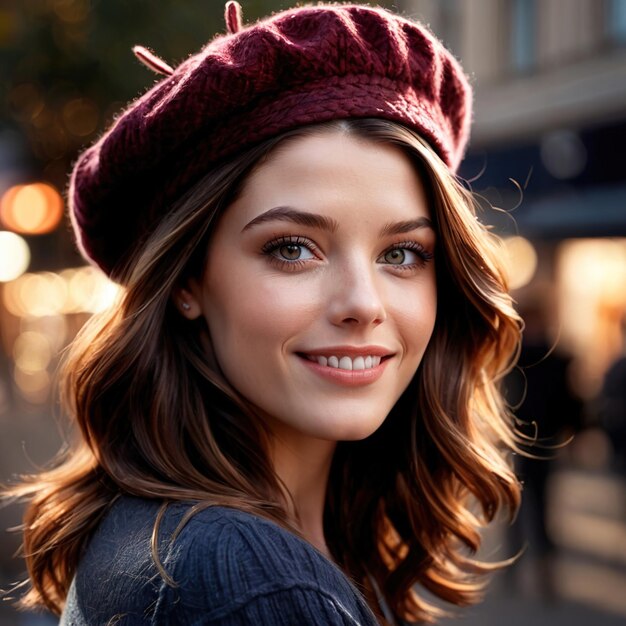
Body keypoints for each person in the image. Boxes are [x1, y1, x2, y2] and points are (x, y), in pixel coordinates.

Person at [7, 2, 523, 624]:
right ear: (188, 280)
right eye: (292, 249)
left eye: (403, 253)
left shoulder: (173, 535)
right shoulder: (252, 586)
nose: (362, 303)